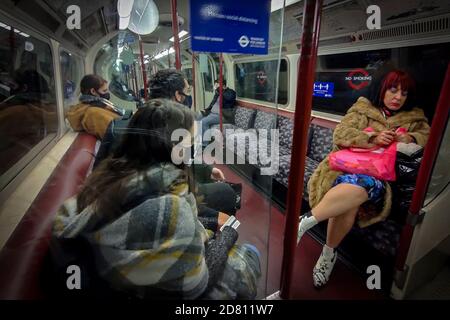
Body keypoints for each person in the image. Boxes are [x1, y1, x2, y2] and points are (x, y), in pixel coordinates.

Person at [52, 99, 260, 299]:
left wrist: (207, 223)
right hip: (149, 290)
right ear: (175, 148)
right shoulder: (170, 206)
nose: (194, 149)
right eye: (191, 143)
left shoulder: (110, 176)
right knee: (251, 252)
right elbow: (194, 286)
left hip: (115, 274)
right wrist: (227, 235)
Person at [296, 70, 430, 288]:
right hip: (347, 170)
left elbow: (429, 140)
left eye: (404, 93)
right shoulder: (363, 109)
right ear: (382, 90)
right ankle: (328, 254)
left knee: (360, 185)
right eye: (393, 90)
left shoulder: (415, 119)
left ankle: (304, 222)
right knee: (349, 201)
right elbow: (340, 134)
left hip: (380, 180)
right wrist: (372, 137)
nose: (398, 97)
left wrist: (410, 137)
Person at [95, 69, 238, 232]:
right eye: (187, 91)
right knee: (227, 192)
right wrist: (210, 219)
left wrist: (208, 169)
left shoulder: (120, 124)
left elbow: (100, 168)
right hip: (145, 207)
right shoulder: (171, 130)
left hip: (114, 201)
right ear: (178, 96)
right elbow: (164, 190)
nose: (188, 96)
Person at [66, 74, 125, 139]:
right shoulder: (93, 112)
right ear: (93, 91)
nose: (107, 93)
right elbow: (117, 135)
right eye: (104, 91)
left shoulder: (100, 104)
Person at [201, 79, 236, 145]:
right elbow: (213, 103)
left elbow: (229, 98)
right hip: (212, 113)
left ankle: (205, 144)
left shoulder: (231, 92)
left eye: (217, 85)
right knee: (198, 118)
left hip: (222, 116)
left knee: (203, 122)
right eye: (215, 85)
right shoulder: (218, 93)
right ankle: (199, 140)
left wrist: (220, 90)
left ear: (223, 85)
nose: (215, 86)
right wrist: (206, 109)